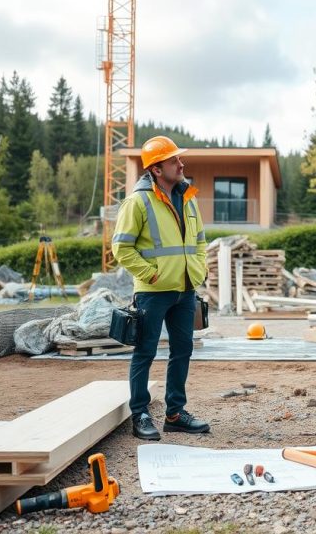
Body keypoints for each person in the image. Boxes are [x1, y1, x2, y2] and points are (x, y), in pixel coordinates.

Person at [111, 135, 210, 440]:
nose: (181, 164)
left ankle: (175, 414)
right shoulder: (137, 201)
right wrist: (151, 274)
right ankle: (140, 414)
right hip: (153, 292)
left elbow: (201, 241)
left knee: (183, 350)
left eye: (179, 159)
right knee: (145, 352)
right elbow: (121, 248)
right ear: (156, 169)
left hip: (185, 289)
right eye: (173, 161)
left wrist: (200, 269)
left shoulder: (189, 196)